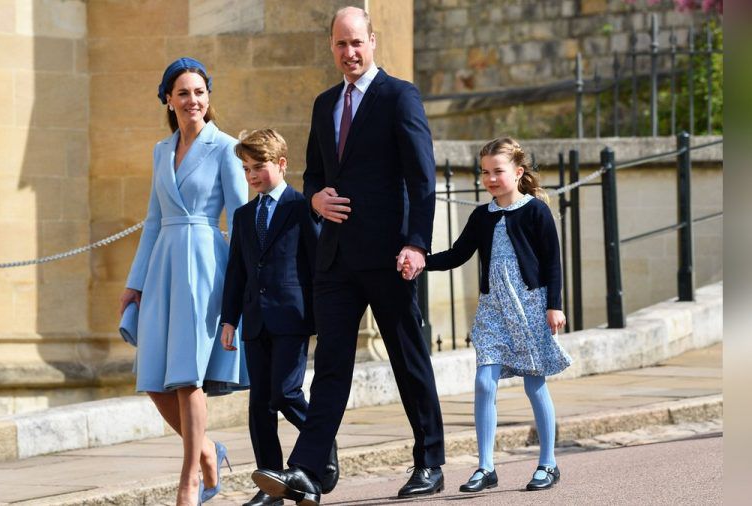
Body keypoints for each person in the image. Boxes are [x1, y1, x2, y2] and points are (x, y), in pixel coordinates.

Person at [252, 7, 445, 505]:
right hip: (335, 259)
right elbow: (314, 175)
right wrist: (314, 198)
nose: (349, 53)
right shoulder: (324, 104)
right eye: (340, 44)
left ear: (373, 42)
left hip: (390, 255)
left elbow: (423, 179)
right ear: (332, 47)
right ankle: (309, 472)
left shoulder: (399, 96)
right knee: (332, 366)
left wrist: (416, 244)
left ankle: (430, 462)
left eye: (357, 42)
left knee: (408, 359)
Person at [120, 57, 249, 506]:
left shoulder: (226, 148)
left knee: (188, 377)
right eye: (183, 93)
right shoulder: (161, 151)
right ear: (169, 100)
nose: (192, 100)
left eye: (199, 92)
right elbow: (153, 222)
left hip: (205, 267)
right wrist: (134, 283)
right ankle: (209, 449)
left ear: (208, 98)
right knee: (155, 379)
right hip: (162, 268)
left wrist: (242, 282)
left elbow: (240, 218)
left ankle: (189, 479)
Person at [416, 137, 572, 493]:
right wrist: (422, 260)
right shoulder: (481, 216)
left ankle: (548, 463)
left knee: (535, 383)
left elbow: (552, 261)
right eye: (484, 172)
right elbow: (458, 254)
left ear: (517, 173)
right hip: (492, 307)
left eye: (497, 171)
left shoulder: (535, 210)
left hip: (530, 304)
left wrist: (555, 305)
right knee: (484, 381)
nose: (490, 178)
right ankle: (486, 466)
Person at [219, 129, 337, 506]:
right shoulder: (242, 215)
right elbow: (236, 271)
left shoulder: (302, 207)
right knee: (259, 406)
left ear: (282, 165)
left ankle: (321, 444)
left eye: (260, 166)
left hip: (292, 316)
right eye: (246, 168)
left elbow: (318, 264)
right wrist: (229, 320)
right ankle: (270, 483)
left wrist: (326, 317)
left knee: (286, 394)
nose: (252, 175)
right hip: (255, 321)